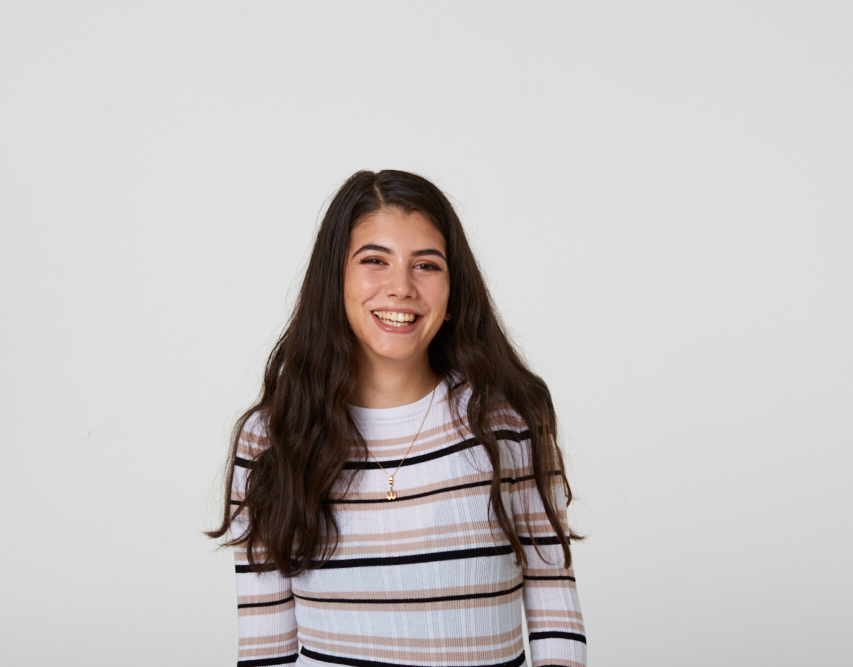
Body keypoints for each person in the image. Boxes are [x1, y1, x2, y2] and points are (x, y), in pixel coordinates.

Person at [208, 169, 586, 666]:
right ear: (335, 281)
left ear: (454, 291)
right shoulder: (273, 439)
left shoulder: (508, 419)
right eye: (374, 260)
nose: (401, 287)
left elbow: (554, 603)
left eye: (426, 265)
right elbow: (265, 648)